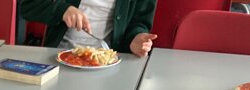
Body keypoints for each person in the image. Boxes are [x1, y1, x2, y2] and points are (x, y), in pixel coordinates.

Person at [20, 0, 157, 57]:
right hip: (59, 56)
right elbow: (28, 6)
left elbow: (139, 21)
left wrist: (134, 39)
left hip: (109, 61)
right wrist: (62, 9)